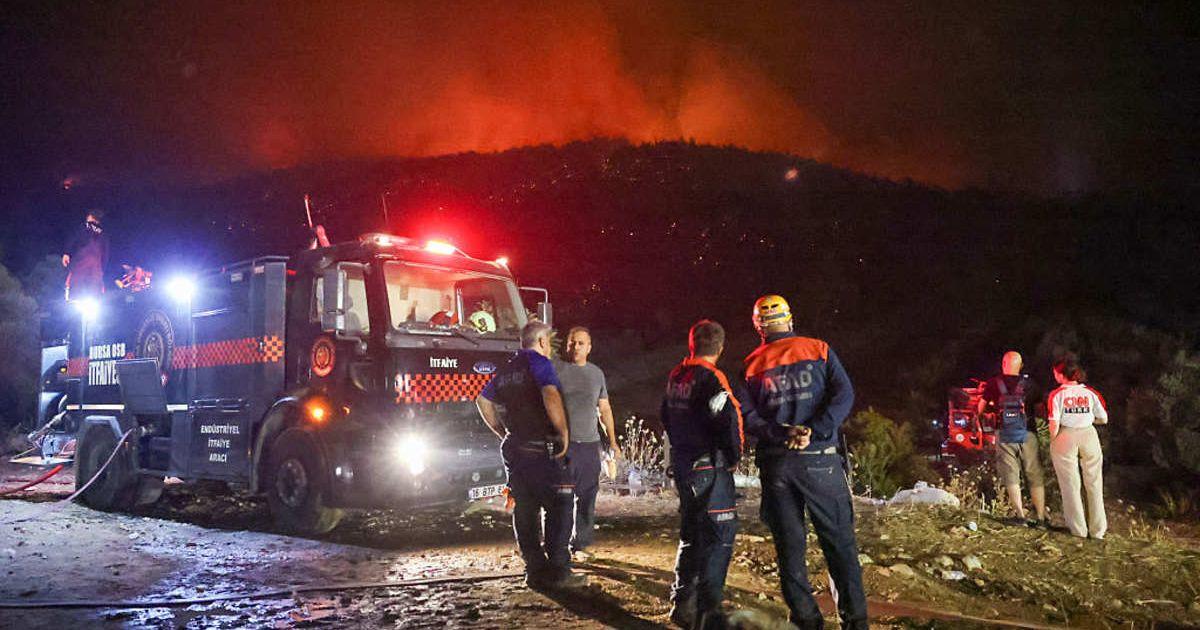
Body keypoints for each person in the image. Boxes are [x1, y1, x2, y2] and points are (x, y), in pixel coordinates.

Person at [742, 295, 867, 630]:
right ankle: (855, 622)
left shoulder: (750, 365)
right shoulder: (819, 349)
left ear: (759, 325)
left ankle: (806, 621)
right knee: (839, 544)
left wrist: (781, 432)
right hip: (820, 461)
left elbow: (748, 418)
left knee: (790, 548)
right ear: (789, 318)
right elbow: (844, 395)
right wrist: (816, 429)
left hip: (777, 464)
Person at [475, 322, 586, 589]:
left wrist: (504, 432)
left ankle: (534, 570)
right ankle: (559, 571)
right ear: (542, 341)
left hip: (516, 448)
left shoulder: (508, 368)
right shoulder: (540, 363)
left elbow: (482, 401)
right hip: (542, 448)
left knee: (524, 509)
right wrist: (563, 433)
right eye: (548, 341)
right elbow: (550, 394)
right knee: (559, 507)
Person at [661, 320, 743, 629]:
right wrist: (733, 456)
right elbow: (728, 417)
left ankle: (682, 604)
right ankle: (710, 614)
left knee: (691, 533)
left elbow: (665, 413)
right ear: (720, 348)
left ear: (692, 343)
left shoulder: (677, 375)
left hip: (684, 464)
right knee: (718, 537)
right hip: (708, 465)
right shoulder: (712, 378)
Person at [552, 326, 620, 562]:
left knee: (588, 497)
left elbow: (604, 409)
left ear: (589, 347)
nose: (576, 347)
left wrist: (612, 442)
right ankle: (557, 547)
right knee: (562, 497)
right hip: (564, 445)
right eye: (572, 342)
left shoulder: (596, 374)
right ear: (566, 345)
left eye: (581, 343)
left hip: (590, 445)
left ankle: (580, 544)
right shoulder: (556, 370)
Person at [977, 351, 1048, 526]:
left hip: (1005, 433)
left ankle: (1020, 515)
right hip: (1028, 433)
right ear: (1021, 365)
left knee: (1011, 473)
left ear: (1003, 364)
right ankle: (1040, 518)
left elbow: (980, 409)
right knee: (1034, 474)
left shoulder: (994, 383)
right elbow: (1041, 411)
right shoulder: (1031, 384)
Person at [1047, 359, 1108, 539]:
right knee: (1095, 482)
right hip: (1089, 434)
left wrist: (1053, 440)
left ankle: (1078, 530)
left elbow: (1054, 424)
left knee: (1070, 484)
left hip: (1066, 435)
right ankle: (1098, 530)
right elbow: (1103, 418)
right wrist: (1089, 421)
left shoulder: (1057, 395)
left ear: (1061, 374)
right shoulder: (1090, 393)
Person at [62, 208, 109, 301]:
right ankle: (96, 301)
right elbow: (106, 253)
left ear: (90, 217)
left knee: (76, 278)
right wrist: (102, 269)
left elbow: (73, 238)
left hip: (83, 257)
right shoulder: (104, 233)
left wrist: (66, 253)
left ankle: (73, 300)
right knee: (95, 284)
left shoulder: (83, 226)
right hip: (97, 262)